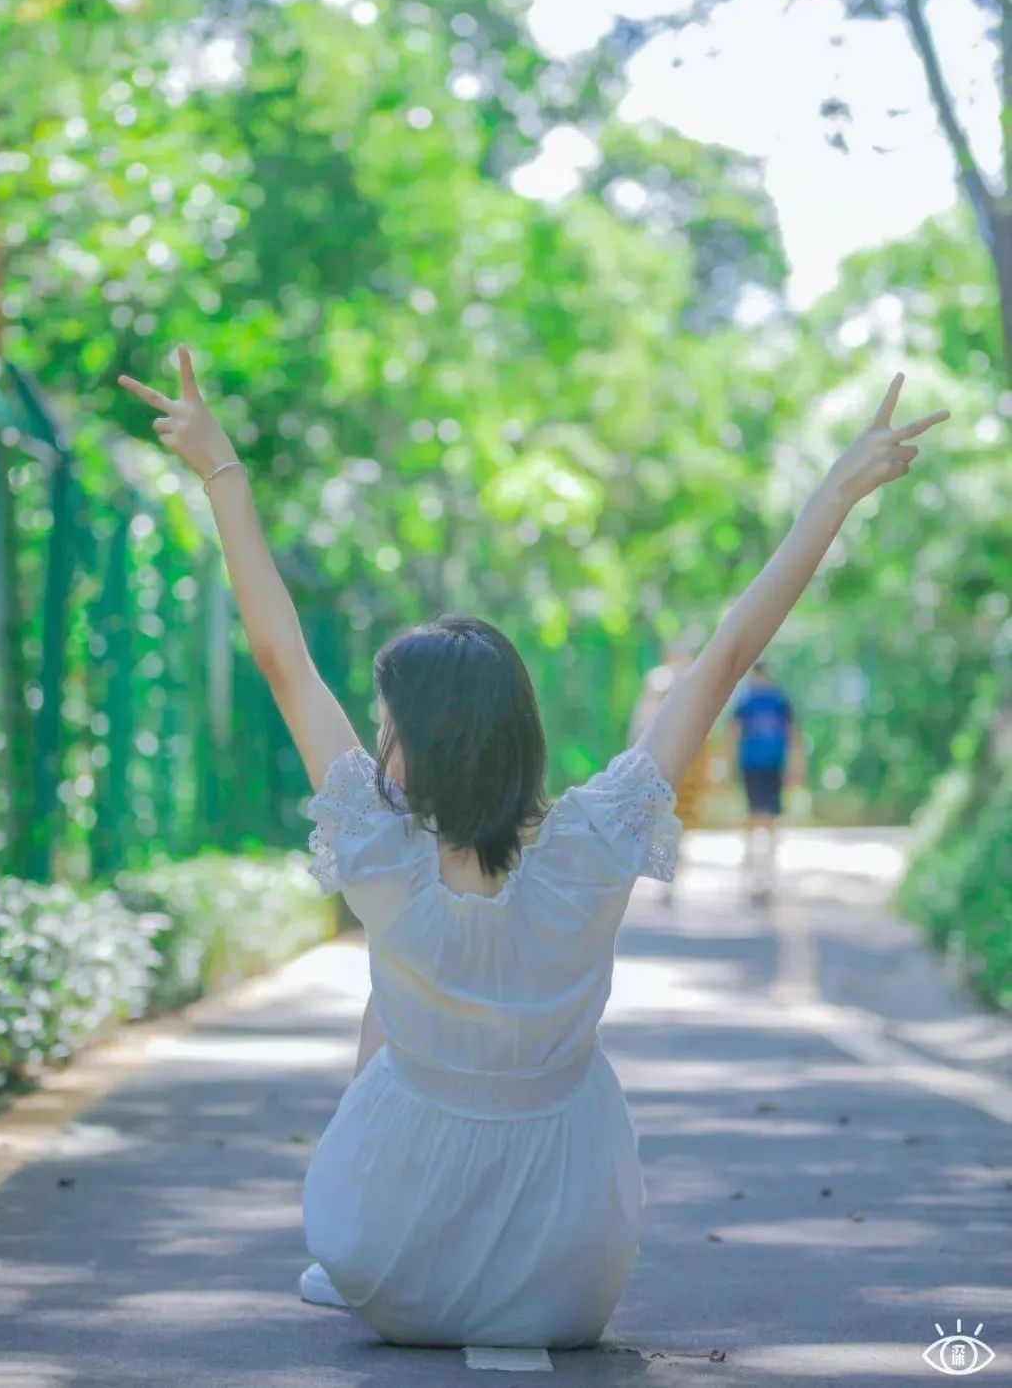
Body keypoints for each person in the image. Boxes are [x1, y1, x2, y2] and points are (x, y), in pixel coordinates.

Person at [119, 353, 947, 1349]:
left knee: (390, 1002)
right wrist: (835, 493)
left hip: (380, 1267)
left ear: (412, 741)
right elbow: (725, 655)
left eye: (385, 722)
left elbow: (283, 661)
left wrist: (223, 472)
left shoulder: (381, 854)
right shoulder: (596, 842)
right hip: (567, 1287)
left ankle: (377, 1236)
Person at [628, 652, 711, 902]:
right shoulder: (665, 681)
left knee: (673, 820)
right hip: (667, 760)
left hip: (678, 761)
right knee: (669, 821)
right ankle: (666, 875)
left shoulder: (680, 682)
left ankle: (668, 875)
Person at [732, 661, 803, 904]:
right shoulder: (745, 700)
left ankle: (767, 862)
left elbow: (793, 733)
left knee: (770, 814)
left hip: (773, 763)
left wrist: (796, 766)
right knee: (753, 813)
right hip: (751, 763)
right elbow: (735, 731)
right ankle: (752, 858)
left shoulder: (779, 701)